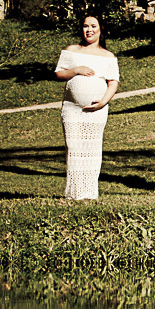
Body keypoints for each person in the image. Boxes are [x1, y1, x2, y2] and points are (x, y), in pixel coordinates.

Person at [54, 15, 120, 200]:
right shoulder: (72, 50)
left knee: (92, 149)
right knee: (74, 147)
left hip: (97, 111)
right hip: (72, 108)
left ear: (101, 29)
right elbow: (59, 74)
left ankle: (89, 193)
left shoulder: (108, 56)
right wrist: (77, 70)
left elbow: (113, 82)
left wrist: (103, 102)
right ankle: (74, 193)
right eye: (85, 26)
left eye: (93, 26)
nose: (89, 30)